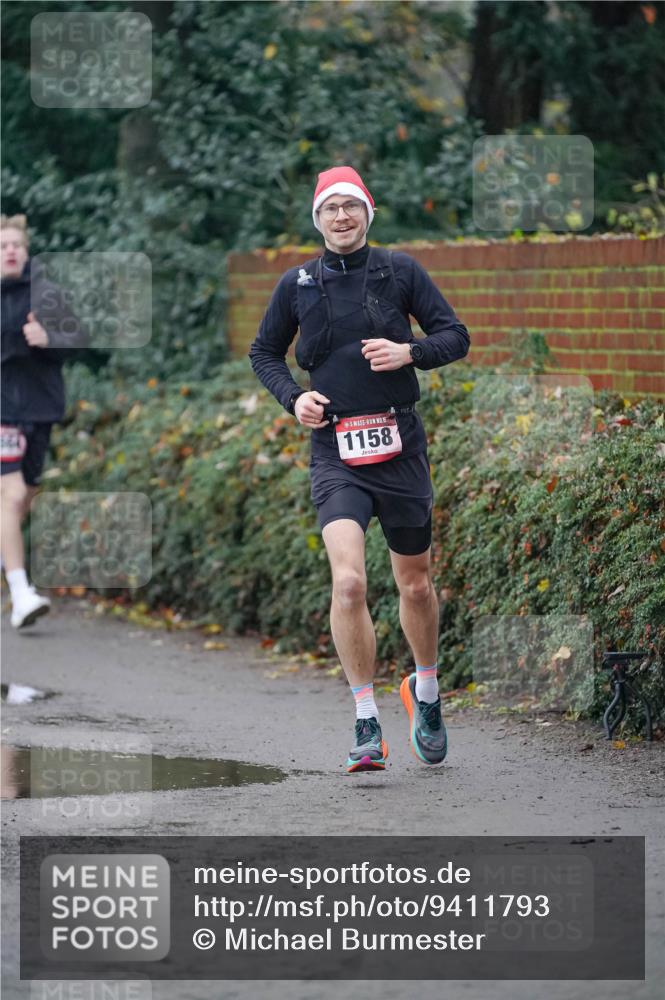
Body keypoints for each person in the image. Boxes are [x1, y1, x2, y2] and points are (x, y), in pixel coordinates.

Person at [249, 167, 469, 773]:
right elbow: (263, 352)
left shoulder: (400, 271)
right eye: (330, 210)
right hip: (335, 451)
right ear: (316, 221)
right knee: (348, 582)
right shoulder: (297, 285)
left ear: (368, 213)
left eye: (351, 207)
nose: (341, 218)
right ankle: (366, 720)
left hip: (399, 445)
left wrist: (411, 352)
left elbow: (457, 336)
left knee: (416, 584)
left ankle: (424, 693)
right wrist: (294, 398)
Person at [1, 214, 84, 629]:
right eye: (3, 246)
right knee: (11, 496)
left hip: (41, 407)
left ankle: (7, 554)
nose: (11, 251)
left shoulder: (46, 292)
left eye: (16, 244)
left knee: (26, 495)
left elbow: (78, 336)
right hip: (2, 410)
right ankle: (20, 593)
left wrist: (50, 339)